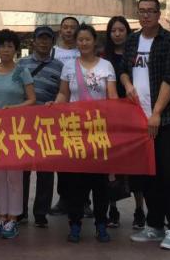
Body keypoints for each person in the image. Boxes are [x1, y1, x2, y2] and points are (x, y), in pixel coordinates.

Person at [121, 0, 170, 251]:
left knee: (169, 175)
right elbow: (123, 69)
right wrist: (127, 84)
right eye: (142, 11)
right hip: (139, 121)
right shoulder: (133, 40)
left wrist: (156, 113)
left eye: (151, 11)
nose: (146, 15)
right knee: (148, 174)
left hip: (165, 119)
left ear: (159, 14)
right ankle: (155, 224)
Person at [51, 24, 118, 243]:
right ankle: (75, 224)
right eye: (80, 40)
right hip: (75, 131)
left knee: (100, 182)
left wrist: (119, 116)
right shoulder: (69, 66)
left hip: (99, 130)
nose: (83, 43)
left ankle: (101, 224)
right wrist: (55, 105)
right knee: (75, 182)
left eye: (87, 39)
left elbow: (112, 97)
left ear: (94, 41)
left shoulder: (106, 66)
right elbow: (63, 94)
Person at [0, 29, 35, 239]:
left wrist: (14, 108)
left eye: (10, 46)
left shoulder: (22, 72)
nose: (6, 49)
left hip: (16, 132)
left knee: (15, 177)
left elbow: (32, 99)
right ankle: (2, 217)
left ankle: (13, 219)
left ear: (15, 49)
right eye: (2, 45)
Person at [17, 25, 63, 227]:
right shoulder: (22, 63)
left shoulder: (60, 66)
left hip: (48, 124)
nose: (44, 42)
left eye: (48, 39)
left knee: (46, 170)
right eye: (40, 38)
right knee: (23, 169)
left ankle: (41, 213)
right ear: (33, 41)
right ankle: (20, 212)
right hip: (24, 123)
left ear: (53, 42)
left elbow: (63, 92)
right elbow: (15, 88)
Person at [104, 14, 142, 229]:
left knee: (135, 164)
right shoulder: (103, 57)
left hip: (133, 115)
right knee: (111, 165)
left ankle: (139, 210)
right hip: (110, 117)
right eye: (113, 31)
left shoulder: (137, 55)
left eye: (121, 30)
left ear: (128, 32)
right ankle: (113, 209)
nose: (117, 34)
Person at [49, 15, 81, 215]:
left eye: (72, 27)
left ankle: (84, 200)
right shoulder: (53, 52)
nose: (69, 30)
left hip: (81, 113)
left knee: (83, 156)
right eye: (65, 27)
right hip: (58, 112)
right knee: (62, 158)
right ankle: (64, 198)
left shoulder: (83, 50)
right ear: (60, 30)